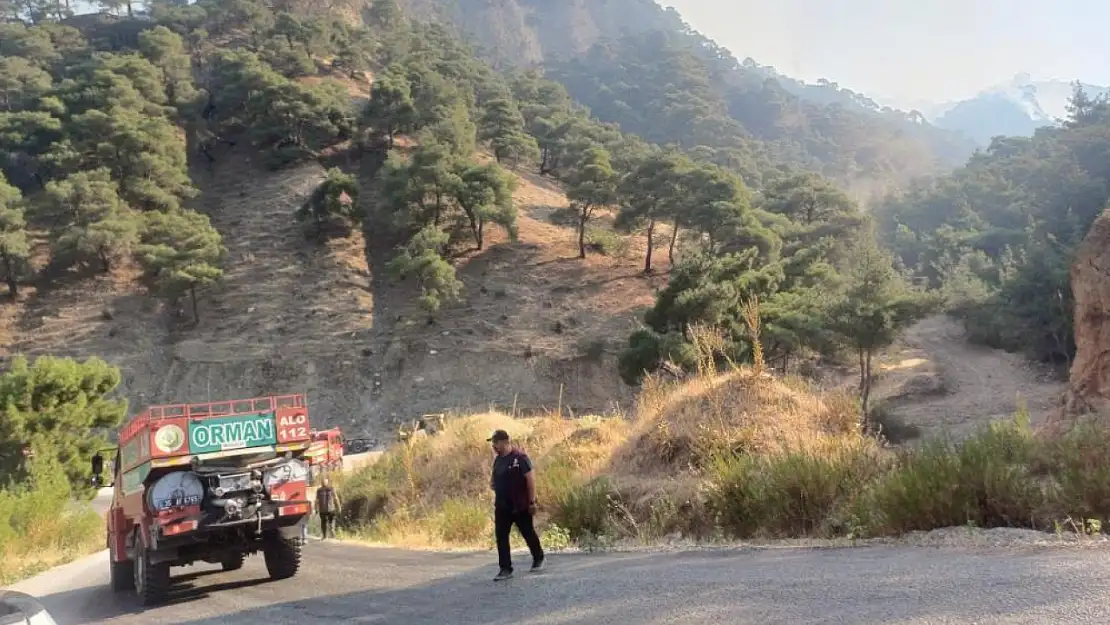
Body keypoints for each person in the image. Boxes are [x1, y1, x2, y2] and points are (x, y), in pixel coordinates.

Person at [488, 429, 544, 581]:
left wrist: (532, 502)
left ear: (505, 442)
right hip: (502, 506)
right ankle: (505, 568)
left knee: (527, 532)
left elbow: (530, 480)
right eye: (493, 443)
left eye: (496, 443)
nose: (494, 446)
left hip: (520, 505)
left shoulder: (520, 458)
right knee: (501, 536)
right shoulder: (498, 460)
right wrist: (494, 485)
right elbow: (494, 479)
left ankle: (538, 557)